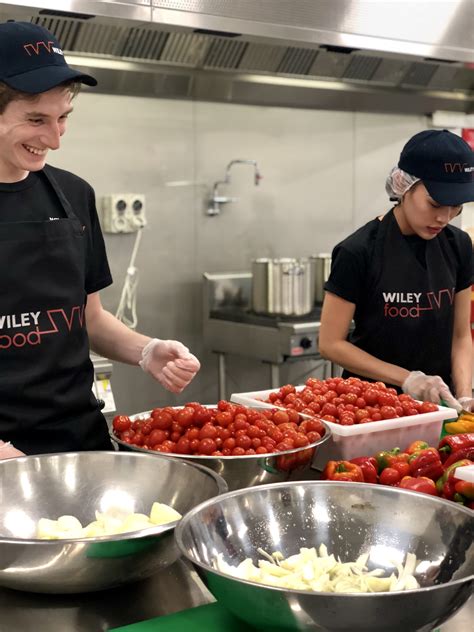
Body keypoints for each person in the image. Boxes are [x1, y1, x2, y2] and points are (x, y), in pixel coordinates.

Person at [0, 21, 200, 458]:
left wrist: (145, 350)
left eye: (63, 118)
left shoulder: (73, 195)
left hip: (80, 443)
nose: (54, 139)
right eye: (36, 119)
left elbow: (87, 318)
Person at [319, 129, 474, 412]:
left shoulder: (459, 245)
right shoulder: (358, 250)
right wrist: (408, 379)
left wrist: (464, 396)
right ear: (404, 186)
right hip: (369, 408)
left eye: (456, 206)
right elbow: (330, 343)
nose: (444, 217)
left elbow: (461, 334)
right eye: (435, 203)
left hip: (440, 406)